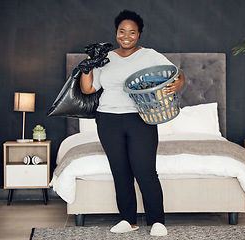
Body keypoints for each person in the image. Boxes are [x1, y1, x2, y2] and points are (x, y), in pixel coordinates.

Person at [80, 9, 185, 236]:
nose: (126, 36)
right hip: (107, 119)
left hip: (141, 119)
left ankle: (157, 221)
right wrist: (88, 64)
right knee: (120, 172)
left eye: (132, 32)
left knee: (145, 171)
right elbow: (88, 88)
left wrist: (178, 83)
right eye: (121, 31)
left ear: (139, 34)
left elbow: (177, 73)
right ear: (116, 32)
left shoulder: (149, 55)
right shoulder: (105, 58)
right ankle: (127, 220)